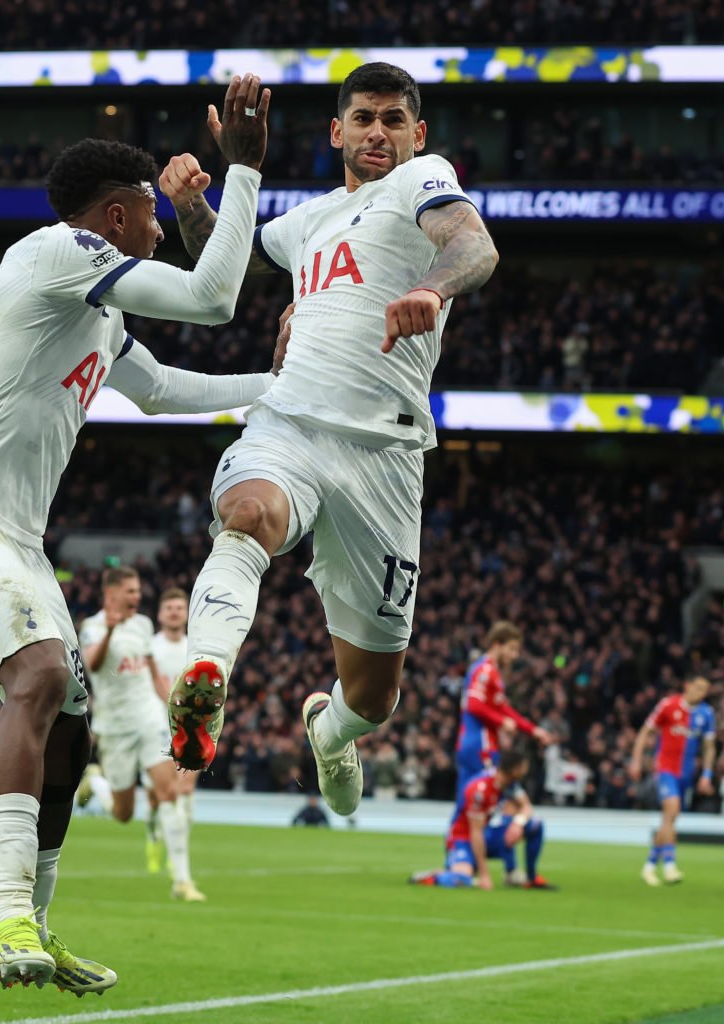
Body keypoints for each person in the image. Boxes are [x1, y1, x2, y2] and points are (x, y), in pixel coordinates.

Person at [0, 73, 271, 993]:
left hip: (14, 536)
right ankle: (5, 917)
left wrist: (289, 390)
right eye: (149, 213)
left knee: (69, 718)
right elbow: (215, 297)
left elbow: (177, 391)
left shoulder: (95, 308)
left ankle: (37, 926)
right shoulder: (60, 251)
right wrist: (243, 172)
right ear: (114, 215)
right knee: (43, 675)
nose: (156, 226)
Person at [159, 62, 499, 817]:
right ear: (335, 131)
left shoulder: (424, 182)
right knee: (247, 513)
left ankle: (330, 729)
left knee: (374, 697)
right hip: (293, 423)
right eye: (364, 117)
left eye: (393, 119)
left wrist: (428, 288)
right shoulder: (306, 221)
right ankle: (205, 676)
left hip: (385, 455)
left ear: (418, 133)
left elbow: (474, 247)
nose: (378, 131)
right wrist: (191, 203)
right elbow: (227, 257)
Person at [80, 570, 205, 902]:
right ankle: (97, 783)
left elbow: (152, 675)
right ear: (112, 594)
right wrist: (109, 630)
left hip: (149, 719)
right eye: (131, 591)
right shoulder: (92, 628)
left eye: (138, 591)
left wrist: (174, 712)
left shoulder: (143, 624)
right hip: (115, 727)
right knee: (123, 814)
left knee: (169, 794)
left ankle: (182, 880)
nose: (138, 596)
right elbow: (93, 664)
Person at [409, 750, 554, 890]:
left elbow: (526, 807)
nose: (526, 771)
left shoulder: (509, 784)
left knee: (534, 823)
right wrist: (485, 875)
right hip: (462, 838)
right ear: (515, 770)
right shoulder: (479, 790)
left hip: (486, 833)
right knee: (461, 878)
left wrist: (518, 823)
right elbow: (475, 832)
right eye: (524, 767)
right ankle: (433, 876)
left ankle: (528, 877)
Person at [629, 675, 716, 886]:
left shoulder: (706, 714)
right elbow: (644, 732)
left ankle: (649, 866)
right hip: (666, 769)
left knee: (669, 820)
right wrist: (636, 761)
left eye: (705, 690)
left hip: (686, 774)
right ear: (687, 685)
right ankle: (670, 866)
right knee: (673, 810)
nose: (701, 693)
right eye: (698, 687)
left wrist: (706, 775)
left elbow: (709, 747)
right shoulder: (668, 705)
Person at [455, 621, 554, 801]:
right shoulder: (485, 670)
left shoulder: (490, 671)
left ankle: (458, 830)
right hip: (480, 743)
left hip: (473, 742)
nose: (515, 655)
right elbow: (473, 704)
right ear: (496, 645)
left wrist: (533, 730)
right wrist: (501, 722)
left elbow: (504, 709)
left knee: (469, 802)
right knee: (486, 801)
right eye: (511, 649)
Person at [149, 586, 199, 865]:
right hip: (154, 727)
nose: (175, 612)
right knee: (160, 796)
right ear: (160, 614)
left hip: (189, 728)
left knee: (186, 792)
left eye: (179, 608)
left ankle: (176, 855)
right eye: (169, 608)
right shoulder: (150, 649)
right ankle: (155, 834)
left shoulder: (195, 648)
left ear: (187, 614)